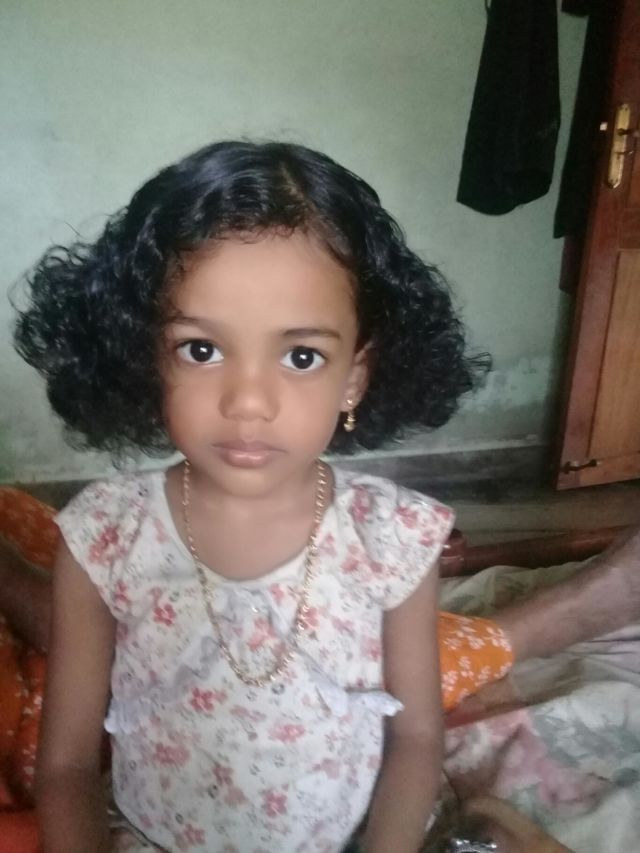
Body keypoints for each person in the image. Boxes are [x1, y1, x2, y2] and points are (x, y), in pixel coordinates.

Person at [9, 140, 634, 853]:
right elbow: (66, 767)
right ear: (147, 354)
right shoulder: (105, 537)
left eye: (301, 356)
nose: (248, 402)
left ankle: (487, 822)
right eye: (201, 349)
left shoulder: (391, 536)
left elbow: (417, 739)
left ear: (354, 379)